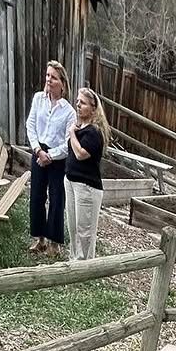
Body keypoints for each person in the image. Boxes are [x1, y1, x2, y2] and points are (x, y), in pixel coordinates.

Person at [25, 60, 75, 256]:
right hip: (39, 152)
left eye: (53, 77)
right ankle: (40, 239)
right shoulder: (38, 99)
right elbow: (30, 126)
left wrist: (50, 156)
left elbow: (68, 144)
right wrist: (38, 151)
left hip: (57, 159)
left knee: (56, 198)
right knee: (37, 196)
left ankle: (54, 244)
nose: (48, 80)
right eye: (47, 75)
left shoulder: (69, 112)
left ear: (62, 83)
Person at [65, 87, 109, 262]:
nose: (78, 105)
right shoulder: (79, 128)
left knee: (85, 231)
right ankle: (74, 261)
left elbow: (80, 154)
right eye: (77, 101)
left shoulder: (94, 132)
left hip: (87, 187)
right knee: (73, 227)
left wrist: (71, 133)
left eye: (82, 103)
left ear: (93, 109)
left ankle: (85, 266)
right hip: (71, 181)